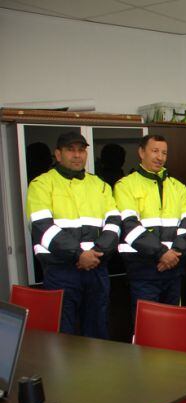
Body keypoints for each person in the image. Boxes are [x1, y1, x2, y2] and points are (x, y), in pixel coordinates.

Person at [26, 132, 121, 338]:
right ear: (58, 154)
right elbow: (43, 228)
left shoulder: (100, 185)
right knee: (64, 336)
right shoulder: (41, 184)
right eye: (71, 150)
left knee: (97, 334)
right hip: (61, 271)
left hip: (97, 269)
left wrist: (96, 253)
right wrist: (79, 255)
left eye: (81, 150)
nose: (77, 155)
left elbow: (114, 225)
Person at [113, 135, 186, 325]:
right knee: (147, 327)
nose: (160, 157)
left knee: (173, 326)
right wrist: (161, 254)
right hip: (143, 270)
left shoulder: (178, 187)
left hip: (173, 269)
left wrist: (174, 254)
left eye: (164, 153)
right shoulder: (125, 185)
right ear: (142, 152)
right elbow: (129, 226)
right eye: (155, 151)